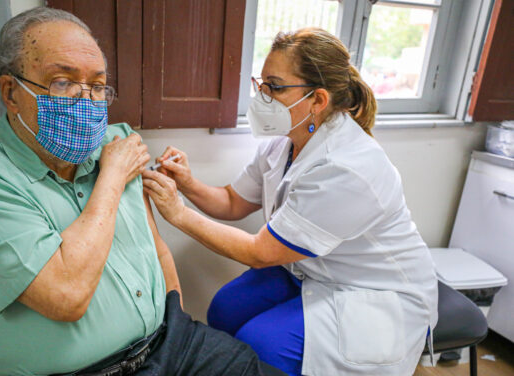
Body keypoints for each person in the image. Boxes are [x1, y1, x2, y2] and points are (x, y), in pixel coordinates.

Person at [0, 7, 285, 376]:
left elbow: (156, 249)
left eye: (98, 86)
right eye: (62, 82)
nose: (86, 101)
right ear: (10, 91)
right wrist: (112, 177)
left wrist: (175, 324)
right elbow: (66, 296)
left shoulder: (117, 140)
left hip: (169, 342)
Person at [142, 28, 439, 376]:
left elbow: (260, 252)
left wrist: (177, 213)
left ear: (318, 100)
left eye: (275, 86)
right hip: (311, 269)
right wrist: (188, 184)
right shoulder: (285, 140)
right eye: (261, 83)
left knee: (262, 344)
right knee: (224, 309)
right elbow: (233, 201)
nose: (262, 96)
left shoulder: (348, 167)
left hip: (374, 291)